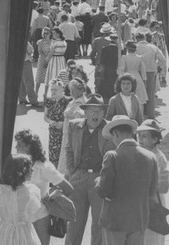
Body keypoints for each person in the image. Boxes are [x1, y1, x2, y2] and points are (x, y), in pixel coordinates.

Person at [97, 115, 158, 244]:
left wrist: (98, 182)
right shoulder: (151, 157)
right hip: (139, 220)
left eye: (112, 137)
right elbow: (151, 195)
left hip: (115, 221)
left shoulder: (112, 156)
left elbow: (103, 191)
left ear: (116, 133)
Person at [65, 94, 115, 245]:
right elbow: (69, 149)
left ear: (104, 113)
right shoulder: (74, 125)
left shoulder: (109, 129)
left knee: (99, 223)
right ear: (85, 112)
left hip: (99, 179)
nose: (95, 114)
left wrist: (106, 179)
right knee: (74, 221)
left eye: (99, 110)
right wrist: (73, 172)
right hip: (78, 177)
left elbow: (114, 156)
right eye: (92, 110)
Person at [0, 154, 41, 245]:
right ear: (21, 172)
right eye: (30, 168)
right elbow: (33, 217)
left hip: (4, 236)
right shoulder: (31, 192)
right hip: (25, 236)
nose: (32, 170)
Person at [137, 119, 169, 245]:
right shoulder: (139, 153)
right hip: (140, 201)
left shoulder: (159, 157)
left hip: (153, 201)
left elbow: (164, 186)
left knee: (152, 236)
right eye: (138, 135)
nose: (140, 139)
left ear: (155, 139)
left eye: (144, 136)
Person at [135, 32, 165, 119]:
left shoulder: (135, 47)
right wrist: (157, 66)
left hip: (139, 72)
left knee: (139, 93)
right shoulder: (153, 47)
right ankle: (150, 114)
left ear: (136, 39)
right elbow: (162, 59)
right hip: (151, 71)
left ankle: (140, 114)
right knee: (150, 94)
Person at [44, 79, 71, 167]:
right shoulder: (49, 101)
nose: (53, 92)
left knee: (63, 156)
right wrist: (50, 121)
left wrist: (63, 123)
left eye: (55, 89)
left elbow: (73, 117)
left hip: (65, 133)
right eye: (51, 89)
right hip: (53, 133)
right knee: (53, 156)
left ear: (62, 89)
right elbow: (45, 117)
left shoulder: (68, 101)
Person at [118, 40, 148, 107]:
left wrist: (120, 79)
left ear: (128, 49)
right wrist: (144, 80)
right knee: (139, 99)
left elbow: (122, 69)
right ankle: (139, 114)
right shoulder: (140, 57)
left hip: (127, 78)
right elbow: (143, 70)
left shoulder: (125, 57)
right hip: (138, 78)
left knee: (127, 98)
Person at [35, 27, 52, 99]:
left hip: (50, 60)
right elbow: (40, 52)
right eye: (44, 33)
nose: (45, 35)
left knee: (47, 78)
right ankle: (35, 93)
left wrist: (49, 58)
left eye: (47, 33)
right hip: (42, 59)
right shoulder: (40, 42)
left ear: (50, 33)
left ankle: (45, 94)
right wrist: (46, 58)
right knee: (39, 78)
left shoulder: (53, 42)